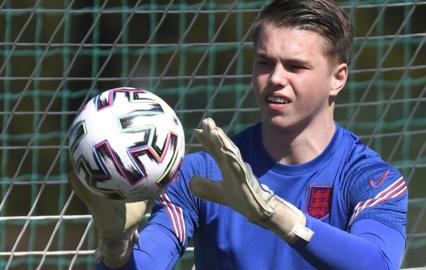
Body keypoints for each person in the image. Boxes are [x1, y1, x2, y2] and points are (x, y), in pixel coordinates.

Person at [70, 0, 408, 269]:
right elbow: (150, 262)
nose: (275, 78)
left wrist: (275, 214)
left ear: (338, 77)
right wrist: (115, 249)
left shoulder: (371, 180)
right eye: (264, 62)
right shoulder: (200, 173)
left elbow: (377, 262)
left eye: (295, 66)